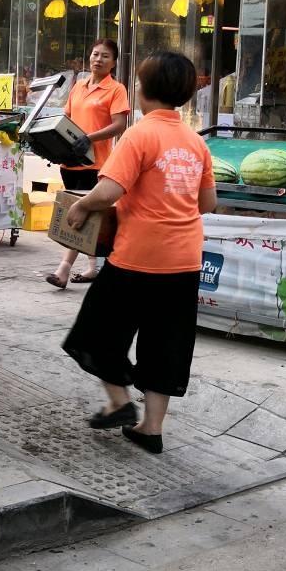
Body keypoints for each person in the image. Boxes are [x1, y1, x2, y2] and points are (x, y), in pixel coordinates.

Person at [61, 51, 217, 457]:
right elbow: (208, 203)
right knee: (166, 342)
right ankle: (151, 428)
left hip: (137, 257)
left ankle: (119, 401)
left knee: (96, 331)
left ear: (143, 90)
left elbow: (109, 190)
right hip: (184, 261)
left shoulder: (139, 134)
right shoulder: (195, 142)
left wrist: (81, 206)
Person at [46, 38, 131, 290]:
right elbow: (66, 120)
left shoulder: (116, 90)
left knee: (82, 215)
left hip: (96, 164)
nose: (98, 59)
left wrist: (89, 138)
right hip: (70, 163)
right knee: (89, 218)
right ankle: (94, 267)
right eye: (95, 54)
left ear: (114, 62)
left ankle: (63, 269)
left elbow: (119, 126)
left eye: (105, 56)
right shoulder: (78, 87)